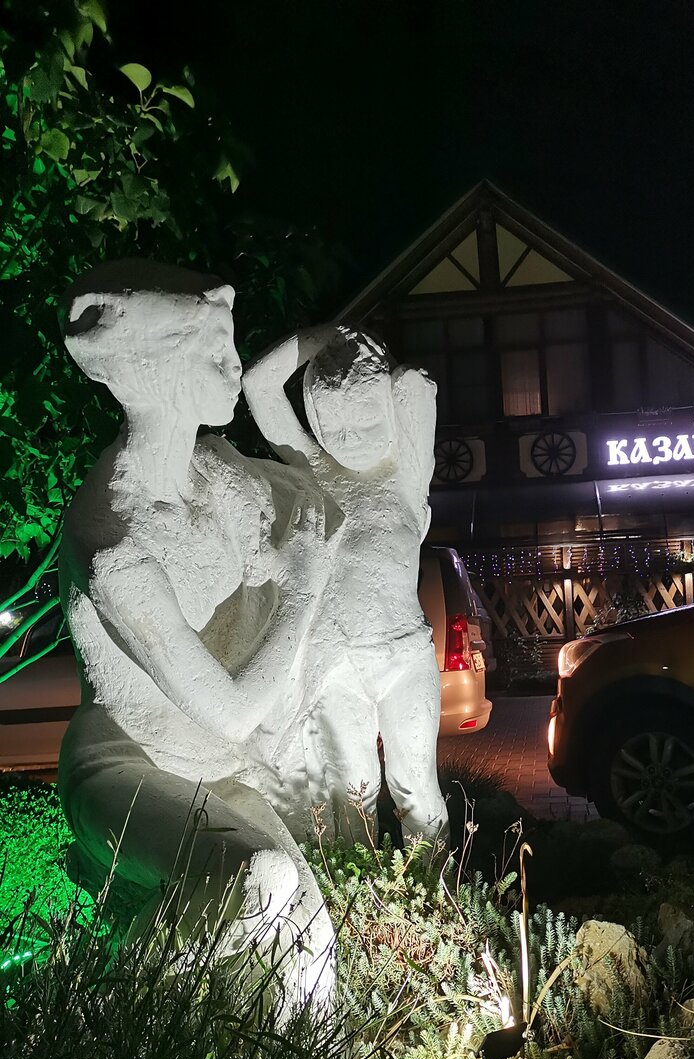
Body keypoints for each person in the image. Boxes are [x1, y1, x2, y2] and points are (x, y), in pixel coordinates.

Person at [58, 260, 337, 1008]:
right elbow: (232, 710)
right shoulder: (113, 539)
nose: (234, 367)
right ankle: (100, 1022)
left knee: (313, 958)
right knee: (259, 882)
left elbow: (294, 538)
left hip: (217, 769)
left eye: (232, 347)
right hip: (124, 766)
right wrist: (304, 585)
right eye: (214, 352)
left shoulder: (215, 476)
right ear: (155, 373)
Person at [243, 325, 448, 848]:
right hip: (337, 662)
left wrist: (363, 354)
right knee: (353, 792)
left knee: (417, 786)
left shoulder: (405, 475)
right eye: (332, 424)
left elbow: (414, 388)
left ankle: (433, 885)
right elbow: (259, 386)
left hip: (405, 654)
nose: (350, 436)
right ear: (314, 422)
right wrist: (321, 337)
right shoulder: (314, 471)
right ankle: (358, 891)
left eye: (365, 419)